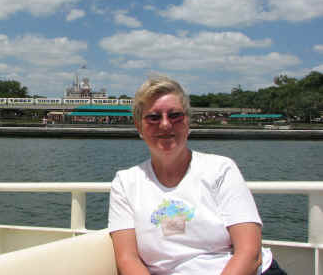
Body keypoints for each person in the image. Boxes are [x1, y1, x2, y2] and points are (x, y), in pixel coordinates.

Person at [108, 75, 287, 275]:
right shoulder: (125, 183)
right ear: (139, 126)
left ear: (187, 122)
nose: (165, 124)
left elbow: (249, 253)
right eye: (154, 117)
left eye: (175, 115)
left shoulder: (221, 169)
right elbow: (127, 259)